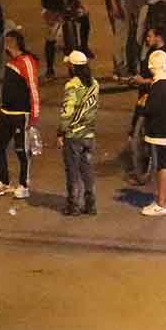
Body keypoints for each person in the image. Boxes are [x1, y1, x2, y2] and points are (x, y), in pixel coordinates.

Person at [0, 30, 40, 199]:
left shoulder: (27, 62)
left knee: (22, 151)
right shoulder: (12, 62)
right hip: (5, 113)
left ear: (13, 43)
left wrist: (34, 116)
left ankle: (24, 185)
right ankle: (4, 182)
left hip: (20, 115)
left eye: (7, 41)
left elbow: (33, 89)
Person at [57, 50, 100, 215]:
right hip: (89, 134)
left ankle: (73, 205)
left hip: (74, 135)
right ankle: (90, 204)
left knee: (73, 170)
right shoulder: (94, 84)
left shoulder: (72, 85)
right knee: (87, 169)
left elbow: (67, 111)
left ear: (73, 67)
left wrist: (60, 132)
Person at [140, 48, 166, 217]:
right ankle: (162, 200)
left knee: (161, 166)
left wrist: (142, 103)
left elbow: (150, 110)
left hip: (159, 133)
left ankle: (161, 203)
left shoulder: (158, 87)